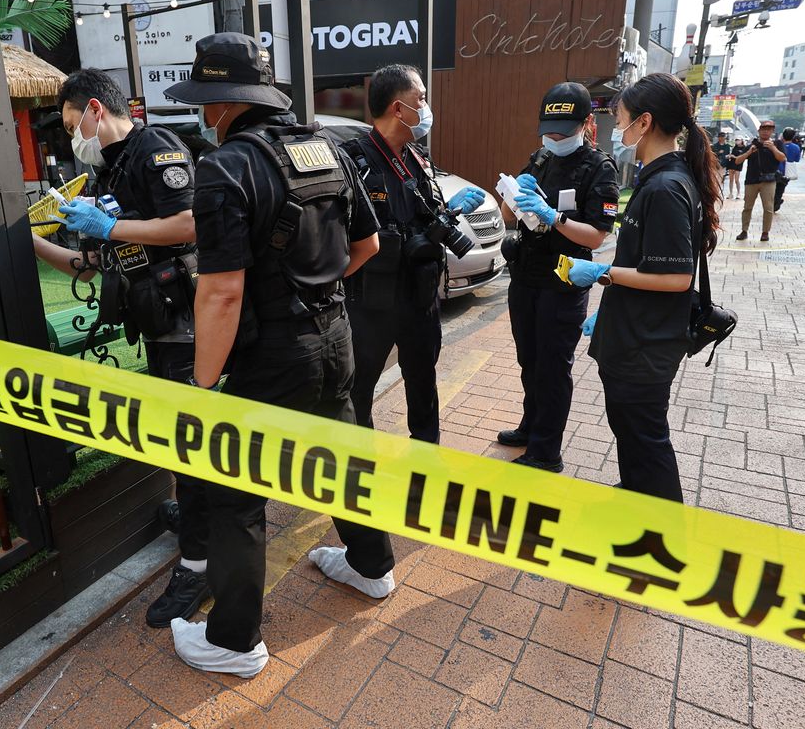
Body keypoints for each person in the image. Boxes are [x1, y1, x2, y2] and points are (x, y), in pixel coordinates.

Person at [163, 33, 395, 678]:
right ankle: (372, 566)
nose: (204, 114)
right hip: (336, 338)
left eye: (206, 101)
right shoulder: (328, 149)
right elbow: (368, 246)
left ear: (221, 103)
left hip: (271, 355)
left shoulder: (226, 167)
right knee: (343, 456)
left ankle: (234, 641)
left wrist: (202, 388)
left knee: (238, 494)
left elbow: (221, 293)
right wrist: (317, 293)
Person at [32, 69, 212, 629]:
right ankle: (197, 519)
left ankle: (201, 562)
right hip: (157, 323)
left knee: (190, 441)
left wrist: (110, 231)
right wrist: (30, 242)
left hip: (184, 321)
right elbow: (98, 261)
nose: (71, 139)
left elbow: (188, 224)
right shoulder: (113, 168)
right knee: (179, 437)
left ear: (92, 110)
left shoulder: (154, 148)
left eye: (69, 126)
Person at [564, 72, 720, 503]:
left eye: (622, 117)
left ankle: (662, 536)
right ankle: (636, 500)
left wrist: (603, 274)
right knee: (632, 435)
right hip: (635, 335)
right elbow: (648, 264)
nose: (617, 127)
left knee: (647, 442)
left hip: (645, 345)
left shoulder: (667, 187)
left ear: (645, 122)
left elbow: (676, 278)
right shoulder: (658, 180)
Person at [342, 65, 486, 445]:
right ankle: (361, 467)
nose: (426, 107)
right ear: (397, 109)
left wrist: (446, 214)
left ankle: (425, 459)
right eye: (420, 99)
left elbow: (427, 211)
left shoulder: (416, 156)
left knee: (423, 382)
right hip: (371, 303)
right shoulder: (353, 160)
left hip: (420, 297)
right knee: (359, 390)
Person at [493, 82, 618, 472]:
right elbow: (510, 215)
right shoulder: (540, 159)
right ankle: (531, 427)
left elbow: (597, 235)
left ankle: (547, 451)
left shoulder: (599, 168)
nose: (555, 137)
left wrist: (556, 218)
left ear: (585, 124)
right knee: (528, 360)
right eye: (549, 129)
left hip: (563, 282)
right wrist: (511, 196)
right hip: (527, 276)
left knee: (552, 366)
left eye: (563, 131)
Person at [733, 119, 785, 242]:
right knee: (747, 207)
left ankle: (765, 232)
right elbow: (737, 161)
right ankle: (744, 231)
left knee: (768, 208)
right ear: (759, 131)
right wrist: (749, 152)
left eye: (769, 129)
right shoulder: (752, 144)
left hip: (769, 181)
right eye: (763, 129)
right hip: (751, 180)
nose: (766, 132)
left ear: (772, 131)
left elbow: (782, 158)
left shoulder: (777, 143)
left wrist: (773, 148)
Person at [773, 127, 802, 213]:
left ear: (783, 136)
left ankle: (775, 203)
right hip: (787, 172)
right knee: (781, 188)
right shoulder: (796, 147)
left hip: (776, 169)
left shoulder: (777, 145)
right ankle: (777, 201)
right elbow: (797, 160)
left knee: (773, 188)